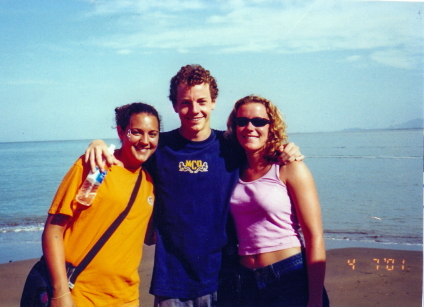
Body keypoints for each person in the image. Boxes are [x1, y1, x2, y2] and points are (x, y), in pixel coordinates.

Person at [85, 65, 304, 307]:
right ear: (175, 105)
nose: (194, 110)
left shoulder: (231, 146)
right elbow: (125, 158)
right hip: (172, 283)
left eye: (202, 101)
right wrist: (100, 145)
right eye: (186, 103)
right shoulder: (160, 147)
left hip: (225, 278)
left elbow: (263, 156)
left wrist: (287, 149)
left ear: (214, 102)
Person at [42, 103, 160, 307]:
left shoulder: (149, 182)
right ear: (121, 132)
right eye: (136, 132)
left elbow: (148, 236)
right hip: (79, 295)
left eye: (153, 134)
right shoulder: (94, 166)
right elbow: (53, 229)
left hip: (127, 298)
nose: (145, 141)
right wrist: (60, 293)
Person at [225, 95, 329, 307]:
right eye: (242, 121)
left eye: (259, 121)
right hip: (245, 282)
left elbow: (314, 236)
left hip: (289, 276)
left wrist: (315, 298)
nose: (249, 127)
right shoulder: (231, 169)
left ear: (271, 126)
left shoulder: (289, 167)